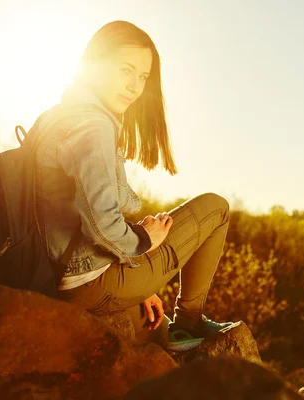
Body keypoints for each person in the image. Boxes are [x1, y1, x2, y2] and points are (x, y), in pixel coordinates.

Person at [31, 20, 234, 351]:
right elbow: (102, 227)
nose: (135, 86)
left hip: (61, 278)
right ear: (95, 66)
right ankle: (190, 321)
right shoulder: (93, 125)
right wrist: (143, 241)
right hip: (88, 284)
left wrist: (142, 284)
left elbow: (75, 218)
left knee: (156, 328)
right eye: (126, 70)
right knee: (216, 207)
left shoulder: (59, 115)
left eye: (142, 77)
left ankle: (171, 327)